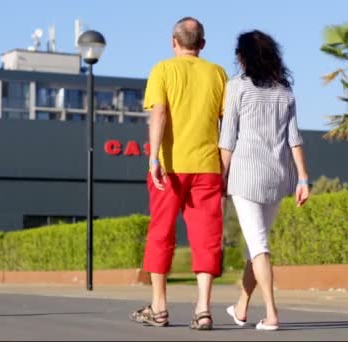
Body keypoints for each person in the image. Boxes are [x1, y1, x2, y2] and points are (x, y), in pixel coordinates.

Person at [130, 17, 228, 330]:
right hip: (207, 167)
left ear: (174, 42)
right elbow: (227, 124)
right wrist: (225, 165)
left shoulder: (162, 70)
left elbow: (159, 112)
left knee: (161, 232)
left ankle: (159, 307)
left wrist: (154, 157)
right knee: (206, 237)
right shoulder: (218, 74)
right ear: (202, 44)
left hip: (170, 167)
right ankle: (203, 309)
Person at [219, 30, 310, 331]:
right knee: (255, 246)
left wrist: (220, 178)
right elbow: (294, 139)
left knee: (258, 245)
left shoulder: (237, 88)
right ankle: (242, 307)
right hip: (278, 176)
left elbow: (227, 139)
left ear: (243, 57)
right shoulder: (285, 91)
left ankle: (271, 313)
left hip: (245, 176)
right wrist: (303, 179)